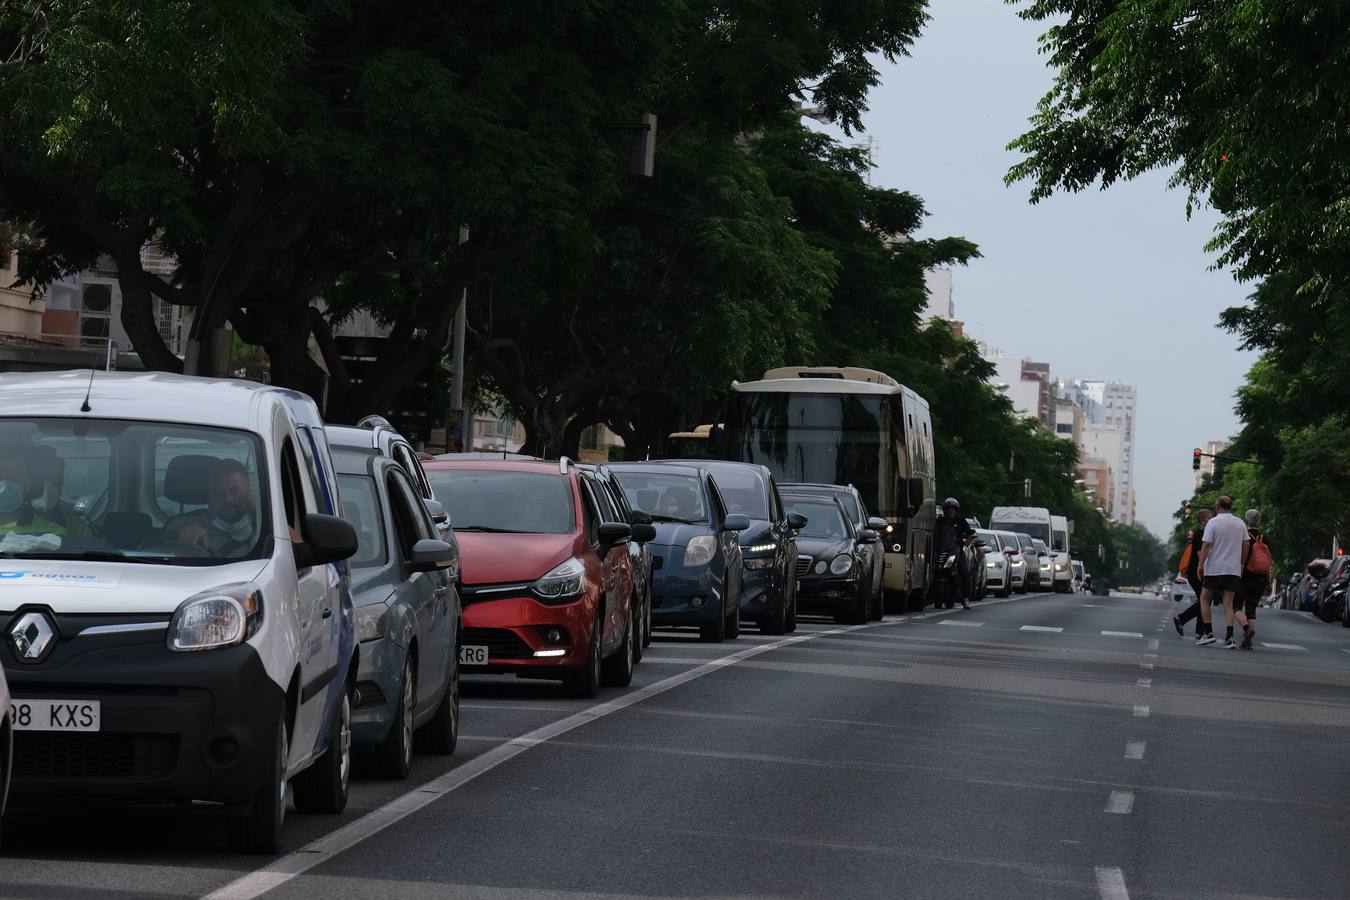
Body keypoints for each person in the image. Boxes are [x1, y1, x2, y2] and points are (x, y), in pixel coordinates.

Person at [1196, 495, 1250, 649]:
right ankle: (1229, 638)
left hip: (1215, 568)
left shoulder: (1213, 522)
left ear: (1218, 506)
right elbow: (1246, 545)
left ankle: (1208, 633)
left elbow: (1206, 545)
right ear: (1230, 506)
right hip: (1233, 569)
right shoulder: (1240, 523)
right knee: (1228, 603)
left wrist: (1200, 565)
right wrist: (1241, 563)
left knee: (1204, 599)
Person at [175, 459, 259, 557]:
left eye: (235, 490)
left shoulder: (269, 526)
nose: (227, 499)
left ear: (249, 493)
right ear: (209, 498)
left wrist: (259, 512)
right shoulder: (191, 529)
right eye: (218, 493)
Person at [0, 446, 67, 541]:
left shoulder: (52, 533)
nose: (4, 485)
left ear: (28, 485)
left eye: (13, 479)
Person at [1173, 507, 1213, 638]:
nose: (1212, 520)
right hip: (1197, 573)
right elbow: (1200, 554)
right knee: (1205, 600)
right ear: (1203, 520)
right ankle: (1183, 620)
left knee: (1204, 600)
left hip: (1197, 572)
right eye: (1209, 518)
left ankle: (1198, 631)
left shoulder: (1202, 533)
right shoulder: (1201, 534)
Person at [1236, 509, 1271, 650]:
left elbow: (1239, 557)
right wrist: (1268, 580)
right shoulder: (1265, 539)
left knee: (1236, 606)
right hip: (1261, 578)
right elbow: (1269, 562)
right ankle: (1248, 641)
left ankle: (1246, 630)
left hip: (1245, 576)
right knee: (1251, 609)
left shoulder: (1244, 537)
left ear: (1246, 521)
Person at [934, 497, 975, 609]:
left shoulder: (961, 521)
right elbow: (934, 533)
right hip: (941, 550)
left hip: (956, 551)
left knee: (965, 574)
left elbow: (969, 533)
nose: (951, 511)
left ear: (956, 510)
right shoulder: (940, 521)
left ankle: (966, 598)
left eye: (953, 509)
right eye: (948, 509)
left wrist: (968, 540)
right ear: (945, 510)